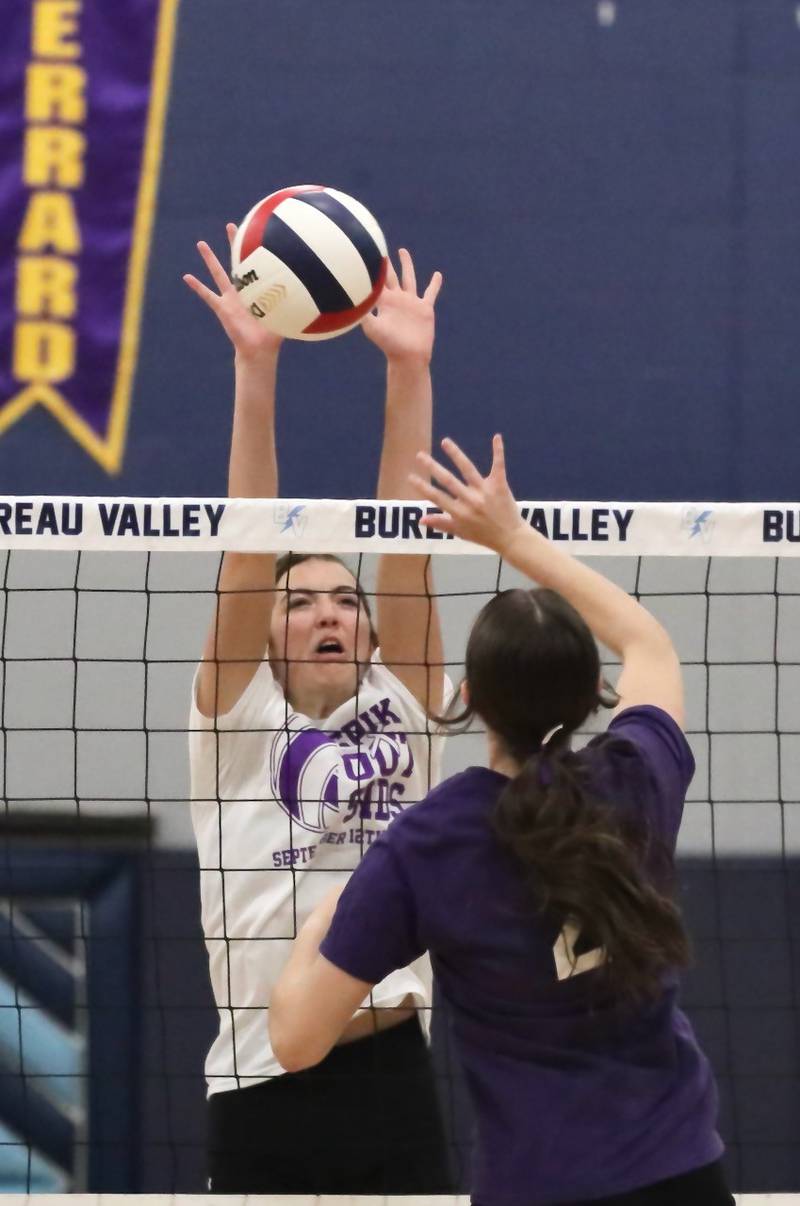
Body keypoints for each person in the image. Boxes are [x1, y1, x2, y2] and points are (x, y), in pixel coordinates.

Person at [269, 433, 735, 1206]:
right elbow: (648, 641)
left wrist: (328, 914)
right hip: (679, 1173)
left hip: (537, 1186)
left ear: (468, 699)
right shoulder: (636, 778)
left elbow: (294, 1041)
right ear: (595, 697)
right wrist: (510, 536)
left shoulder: (429, 841)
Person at [183, 232, 452, 1193]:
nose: (330, 611)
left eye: (346, 601)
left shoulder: (403, 702)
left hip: (390, 1067)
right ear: (268, 632)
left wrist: (410, 370)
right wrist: (258, 369)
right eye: (303, 602)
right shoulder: (235, 716)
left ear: (372, 635)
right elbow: (249, 551)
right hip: (261, 1080)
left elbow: (405, 547)